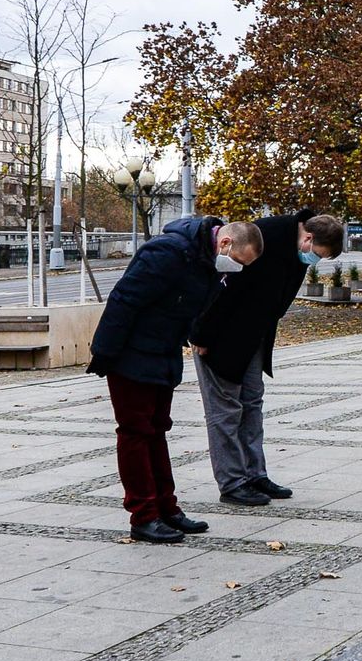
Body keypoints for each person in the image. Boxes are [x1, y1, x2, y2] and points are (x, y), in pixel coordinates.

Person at [88, 217, 264, 543]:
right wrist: (105, 353)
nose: (237, 269)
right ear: (225, 243)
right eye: (238, 262)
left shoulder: (207, 261)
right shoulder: (169, 252)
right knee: (136, 432)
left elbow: (191, 310)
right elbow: (125, 299)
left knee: (157, 430)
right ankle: (143, 515)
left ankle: (166, 508)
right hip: (132, 352)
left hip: (163, 351)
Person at [190, 210, 343, 506]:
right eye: (318, 254)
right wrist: (201, 334)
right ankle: (233, 482)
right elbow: (222, 287)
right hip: (220, 337)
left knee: (252, 403)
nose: (315, 260)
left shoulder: (297, 250)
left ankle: (254, 474)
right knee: (224, 411)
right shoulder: (263, 236)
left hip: (253, 337)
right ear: (308, 237)